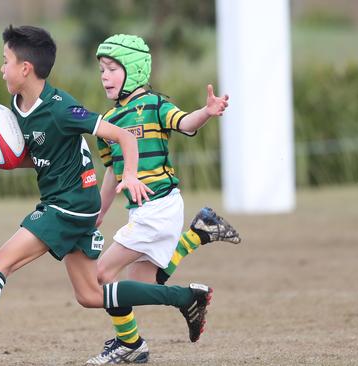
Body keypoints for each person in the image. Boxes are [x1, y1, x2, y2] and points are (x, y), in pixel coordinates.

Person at [0, 25, 213, 366]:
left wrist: (129, 175)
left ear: (25, 68)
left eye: (5, 60)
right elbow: (33, 156)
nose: (1, 68)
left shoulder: (62, 108)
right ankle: (186, 297)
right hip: (70, 203)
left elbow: (124, 136)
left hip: (69, 205)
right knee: (91, 295)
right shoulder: (17, 105)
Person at [85, 34, 241, 365]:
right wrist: (99, 213)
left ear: (135, 69)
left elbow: (184, 122)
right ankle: (198, 233)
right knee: (143, 285)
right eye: (101, 70)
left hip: (159, 206)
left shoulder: (154, 105)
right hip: (146, 212)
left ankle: (133, 342)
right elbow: (113, 173)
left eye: (112, 69)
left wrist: (207, 111)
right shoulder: (109, 122)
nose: (104, 76)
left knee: (102, 275)